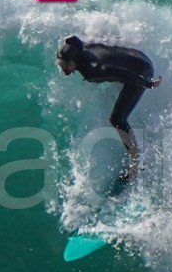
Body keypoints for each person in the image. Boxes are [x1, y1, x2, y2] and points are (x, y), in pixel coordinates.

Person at [56, 35, 160, 184]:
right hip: (136, 56)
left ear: (73, 61)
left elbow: (120, 73)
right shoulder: (81, 47)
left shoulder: (93, 69)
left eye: (64, 64)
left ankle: (136, 164)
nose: (61, 67)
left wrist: (147, 83)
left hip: (141, 70)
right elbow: (73, 39)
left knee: (117, 119)